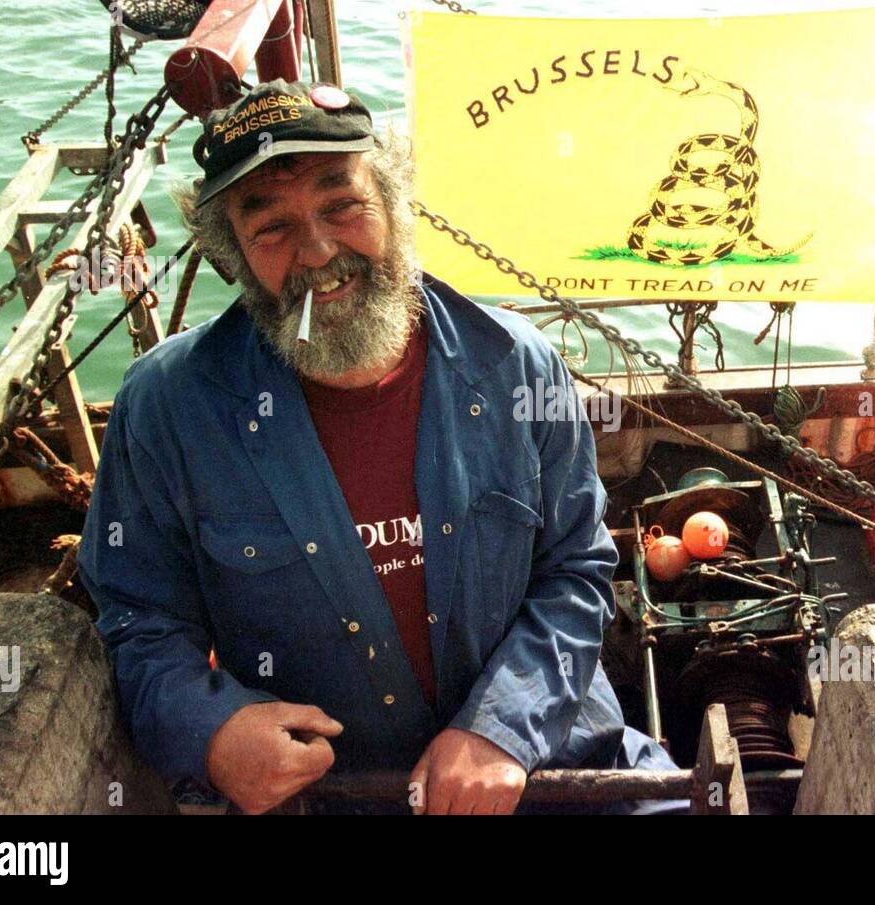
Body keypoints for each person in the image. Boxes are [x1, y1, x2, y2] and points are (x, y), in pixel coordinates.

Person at [77, 79, 680, 815]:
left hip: (554, 764)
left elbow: (577, 570)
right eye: (271, 227)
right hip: (327, 796)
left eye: (343, 204)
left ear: (392, 204)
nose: (319, 251)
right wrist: (212, 731)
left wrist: (501, 729)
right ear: (230, 252)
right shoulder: (165, 409)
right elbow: (139, 618)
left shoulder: (520, 364)